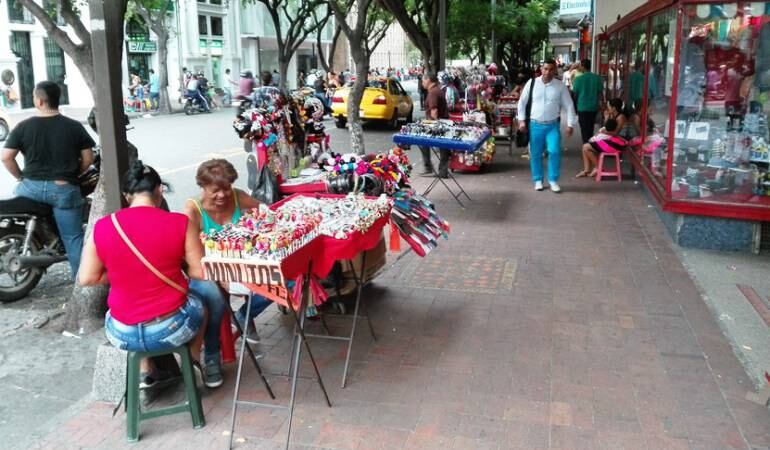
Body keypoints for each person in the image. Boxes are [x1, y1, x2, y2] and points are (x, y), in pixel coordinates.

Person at [78, 161, 207, 388]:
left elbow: (87, 278)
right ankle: (193, 363)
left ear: (127, 195)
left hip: (122, 334)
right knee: (202, 306)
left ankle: (144, 370)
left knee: (117, 313)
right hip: (171, 329)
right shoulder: (180, 223)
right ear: (160, 190)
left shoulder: (104, 226)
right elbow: (199, 271)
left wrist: (123, 273)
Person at [183, 159, 274, 381]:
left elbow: (266, 214)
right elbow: (193, 260)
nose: (222, 195)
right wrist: (219, 275)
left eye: (226, 188)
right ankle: (212, 355)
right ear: (203, 187)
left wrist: (259, 227)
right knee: (214, 297)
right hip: (205, 271)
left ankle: (244, 314)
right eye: (215, 191)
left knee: (285, 278)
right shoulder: (192, 211)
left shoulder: (238, 196)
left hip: (240, 263)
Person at [1, 81, 95, 278]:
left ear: (39, 100)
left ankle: (43, 237)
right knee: (73, 238)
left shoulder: (23, 126)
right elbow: (88, 158)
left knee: (23, 196)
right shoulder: (74, 127)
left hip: (30, 189)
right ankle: (81, 284)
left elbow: (6, 157)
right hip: (62, 189)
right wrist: (73, 173)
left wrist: (21, 177)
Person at [517, 59, 577, 193]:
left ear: (555, 70)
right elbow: (522, 103)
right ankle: (538, 180)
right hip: (535, 125)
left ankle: (553, 180)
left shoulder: (560, 86)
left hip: (552, 126)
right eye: (545, 69)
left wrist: (570, 124)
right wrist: (521, 121)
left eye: (551, 69)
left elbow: (569, 105)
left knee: (554, 151)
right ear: (541, 69)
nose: (547, 72)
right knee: (536, 154)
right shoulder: (532, 83)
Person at [419, 72, 451, 178]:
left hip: (438, 123)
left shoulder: (433, 92)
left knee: (421, 140)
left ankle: (429, 167)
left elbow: (434, 111)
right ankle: (442, 171)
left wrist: (433, 125)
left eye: (423, 80)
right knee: (443, 147)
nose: (422, 83)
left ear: (428, 80)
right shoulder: (438, 90)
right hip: (444, 123)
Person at [571, 59, 604, 144]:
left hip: (582, 107)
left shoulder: (578, 79)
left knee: (583, 127)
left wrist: (574, 107)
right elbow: (600, 93)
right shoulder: (597, 78)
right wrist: (602, 104)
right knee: (591, 126)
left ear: (582, 66)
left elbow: (575, 95)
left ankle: (586, 144)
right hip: (593, 106)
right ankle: (589, 144)